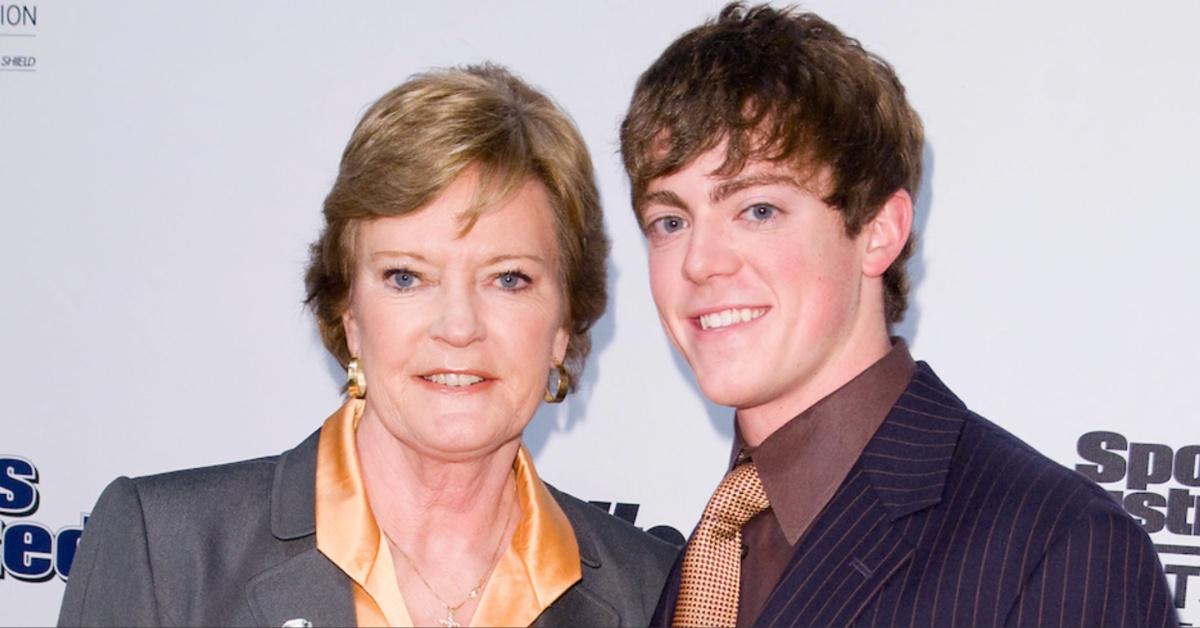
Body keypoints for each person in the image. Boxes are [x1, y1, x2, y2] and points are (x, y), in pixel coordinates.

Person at [59, 64, 677, 627]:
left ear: (563, 324)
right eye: (406, 277)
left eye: (508, 279)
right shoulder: (165, 552)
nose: (458, 327)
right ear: (349, 313)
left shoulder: (655, 592)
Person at [619, 4, 1178, 627]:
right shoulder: (711, 542)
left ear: (880, 230)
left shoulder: (1059, 548)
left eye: (757, 211)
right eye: (670, 222)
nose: (699, 263)